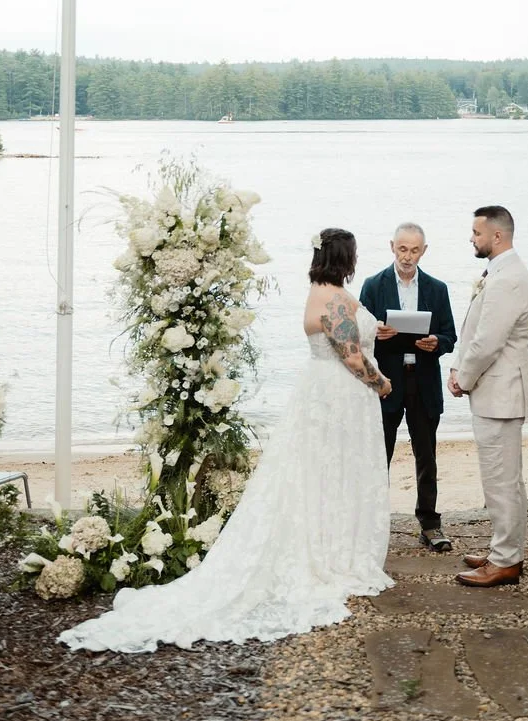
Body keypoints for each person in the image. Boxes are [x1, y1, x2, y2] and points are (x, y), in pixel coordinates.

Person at [60, 228, 394, 653]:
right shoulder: (333, 299)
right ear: (344, 257)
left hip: (323, 394)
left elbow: (349, 340)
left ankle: (330, 545)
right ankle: (331, 556)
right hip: (339, 396)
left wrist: (372, 334)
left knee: (321, 475)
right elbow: (349, 356)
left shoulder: (320, 292)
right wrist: (380, 383)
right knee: (332, 474)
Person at [448, 205, 528, 588]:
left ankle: (505, 561)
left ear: (496, 236)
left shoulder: (508, 279)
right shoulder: (500, 273)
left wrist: (463, 377)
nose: (472, 238)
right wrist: (456, 366)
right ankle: (506, 549)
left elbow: (487, 342)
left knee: (501, 481)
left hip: (500, 393)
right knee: (506, 479)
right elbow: (474, 329)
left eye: (476, 232)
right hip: (497, 391)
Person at [359, 222, 457, 552]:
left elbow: (450, 336)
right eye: (402, 249)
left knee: (426, 456)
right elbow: (358, 338)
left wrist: (436, 343)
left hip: (424, 379)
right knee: (378, 455)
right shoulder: (373, 286)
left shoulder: (437, 288)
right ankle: (371, 525)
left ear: (424, 251)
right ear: (391, 247)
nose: (408, 256)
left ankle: (430, 524)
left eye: (415, 250)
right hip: (386, 382)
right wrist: (376, 334)